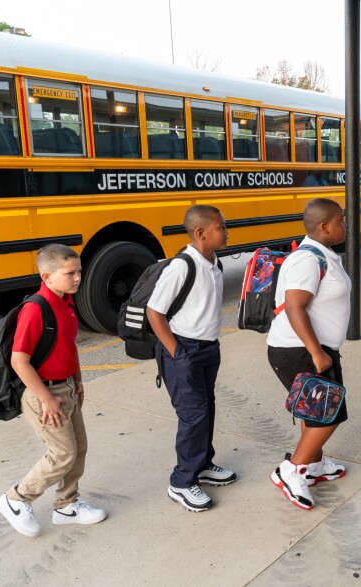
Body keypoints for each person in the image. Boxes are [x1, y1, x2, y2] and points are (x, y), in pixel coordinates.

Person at [0, 244, 107, 537]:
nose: (78, 278)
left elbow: (69, 347)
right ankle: (16, 499)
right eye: (70, 273)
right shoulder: (36, 309)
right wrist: (46, 399)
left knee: (78, 449)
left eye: (79, 271)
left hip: (67, 387)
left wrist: (78, 381)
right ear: (46, 276)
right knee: (62, 453)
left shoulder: (65, 302)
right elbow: (19, 361)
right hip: (44, 394)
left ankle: (66, 505)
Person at [147, 205, 236, 513]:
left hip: (208, 349)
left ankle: (203, 463)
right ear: (200, 233)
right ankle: (182, 482)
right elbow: (154, 312)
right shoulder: (181, 267)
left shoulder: (214, 263)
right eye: (220, 227)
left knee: (206, 408)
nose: (226, 232)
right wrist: (176, 352)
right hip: (183, 351)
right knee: (193, 415)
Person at [267, 198, 350, 510]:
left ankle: (314, 464)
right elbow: (294, 306)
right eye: (340, 221)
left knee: (315, 412)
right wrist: (316, 351)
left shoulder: (323, 255)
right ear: (324, 227)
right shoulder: (307, 260)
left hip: (314, 348)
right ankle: (292, 471)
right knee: (329, 415)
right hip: (299, 350)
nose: (345, 225)